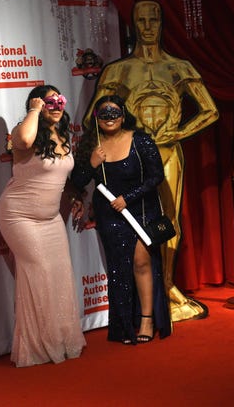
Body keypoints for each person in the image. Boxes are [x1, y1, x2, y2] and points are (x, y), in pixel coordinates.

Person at [83, 0, 219, 322]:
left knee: (169, 221)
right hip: (129, 153)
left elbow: (210, 110)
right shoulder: (118, 70)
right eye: (141, 20)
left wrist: (179, 132)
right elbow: (94, 117)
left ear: (161, 23)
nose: (147, 26)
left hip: (168, 151)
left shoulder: (178, 67)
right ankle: (140, 293)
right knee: (131, 218)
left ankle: (169, 288)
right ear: (133, 24)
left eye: (153, 19)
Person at [0, 84, 86, 367]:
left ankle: (60, 340)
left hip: (50, 218)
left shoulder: (62, 134)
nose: (57, 106)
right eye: (50, 102)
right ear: (36, 105)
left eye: (60, 101)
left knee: (59, 275)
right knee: (38, 274)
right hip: (19, 216)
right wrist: (35, 111)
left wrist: (74, 195)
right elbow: (23, 142)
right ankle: (36, 345)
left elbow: (59, 173)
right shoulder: (24, 130)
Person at [71, 95, 171, 344]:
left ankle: (147, 319)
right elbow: (77, 182)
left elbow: (156, 176)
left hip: (140, 211)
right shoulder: (91, 145)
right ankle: (125, 326)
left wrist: (129, 197)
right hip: (109, 216)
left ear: (124, 115)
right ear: (96, 119)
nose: (110, 118)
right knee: (118, 271)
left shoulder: (140, 140)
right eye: (104, 114)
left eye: (114, 113)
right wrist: (91, 163)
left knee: (140, 262)